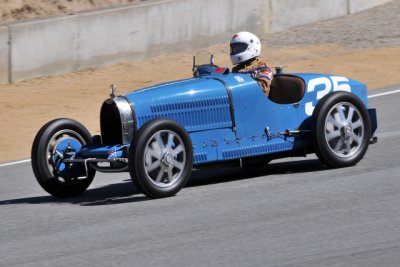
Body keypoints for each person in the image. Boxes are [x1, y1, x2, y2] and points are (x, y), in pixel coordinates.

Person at [230, 31, 273, 96]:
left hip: (256, 103)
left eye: (239, 48)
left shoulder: (262, 68)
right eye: (234, 48)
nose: (236, 50)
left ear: (252, 47)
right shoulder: (236, 70)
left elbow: (263, 88)